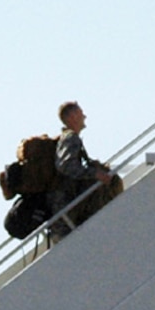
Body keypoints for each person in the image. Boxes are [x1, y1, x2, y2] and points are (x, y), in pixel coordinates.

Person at [47, 102, 114, 243]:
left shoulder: (68, 138)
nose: (84, 116)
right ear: (72, 117)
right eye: (80, 112)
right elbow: (65, 166)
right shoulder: (71, 138)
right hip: (64, 207)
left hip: (64, 209)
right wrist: (94, 174)